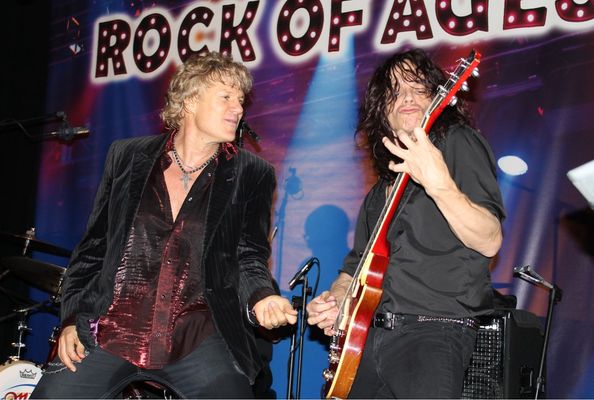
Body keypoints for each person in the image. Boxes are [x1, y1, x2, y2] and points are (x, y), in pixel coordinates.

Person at [32, 51, 297, 399]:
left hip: (197, 335)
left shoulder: (253, 173)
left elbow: (248, 256)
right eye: (226, 97)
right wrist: (71, 320)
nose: (238, 108)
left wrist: (262, 296)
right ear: (189, 101)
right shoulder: (127, 156)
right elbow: (94, 249)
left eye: (241, 100)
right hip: (112, 329)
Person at [306, 49, 505, 398]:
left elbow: (489, 239)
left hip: (432, 333)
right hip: (368, 340)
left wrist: (439, 184)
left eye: (417, 87)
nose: (407, 98)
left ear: (438, 97)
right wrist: (337, 301)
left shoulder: (458, 142)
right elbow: (354, 269)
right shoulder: (379, 193)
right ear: (381, 112)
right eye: (394, 92)